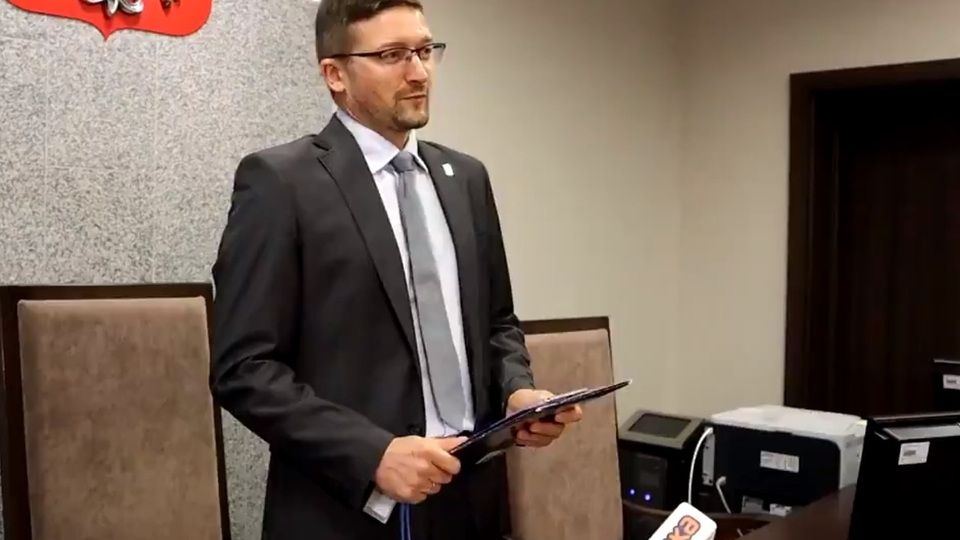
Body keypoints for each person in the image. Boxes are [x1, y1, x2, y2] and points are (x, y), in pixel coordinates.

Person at [209, 0, 583, 539]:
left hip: (468, 499)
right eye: (392, 55)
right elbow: (244, 368)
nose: (419, 72)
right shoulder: (281, 183)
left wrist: (516, 393)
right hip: (348, 508)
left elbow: (497, 323)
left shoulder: (465, 178)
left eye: (425, 51)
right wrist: (372, 454)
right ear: (335, 74)